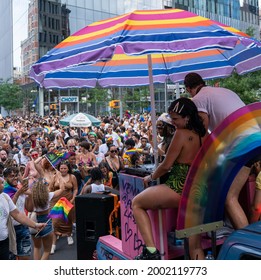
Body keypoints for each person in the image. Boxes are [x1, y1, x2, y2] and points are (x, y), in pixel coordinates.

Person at [132, 98, 207, 260]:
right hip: (199, 192)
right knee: (196, 246)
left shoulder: (181, 134)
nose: (173, 122)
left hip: (179, 188)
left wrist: (150, 177)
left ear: (187, 117)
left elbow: (166, 165)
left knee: (137, 203)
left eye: (175, 119)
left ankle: (151, 252)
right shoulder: (203, 134)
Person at [184, 72, 254, 230]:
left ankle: (249, 247)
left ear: (188, 89)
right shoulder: (224, 91)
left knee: (229, 197)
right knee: (221, 184)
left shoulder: (198, 99)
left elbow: (202, 133)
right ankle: (228, 226)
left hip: (240, 144)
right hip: (254, 141)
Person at [0, 177, 45, 260]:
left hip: (5, 242)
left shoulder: (5, 197)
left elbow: (17, 214)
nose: (3, 184)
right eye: (1, 183)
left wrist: (35, 225)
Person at [3, 167, 34, 260]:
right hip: (10, 230)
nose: (15, 178)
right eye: (11, 176)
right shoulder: (4, 192)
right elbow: (10, 210)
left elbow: (29, 208)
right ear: (5, 178)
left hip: (23, 227)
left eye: (16, 175)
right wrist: (17, 194)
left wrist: (30, 196)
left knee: (25, 258)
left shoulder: (20, 188)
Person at [30, 178, 65, 260]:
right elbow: (62, 189)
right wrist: (59, 176)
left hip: (33, 221)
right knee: (46, 251)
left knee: (37, 247)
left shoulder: (31, 197)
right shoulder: (48, 195)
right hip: (46, 222)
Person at [49, 160, 78, 254]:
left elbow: (75, 189)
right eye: (61, 168)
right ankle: (53, 245)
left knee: (68, 220)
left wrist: (73, 199)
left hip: (68, 200)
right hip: (56, 202)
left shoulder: (72, 177)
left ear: (68, 168)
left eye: (65, 168)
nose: (63, 170)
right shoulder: (55, 177)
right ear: (59, 169)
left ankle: (69, 235)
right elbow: (50, 189)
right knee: (55, 222)